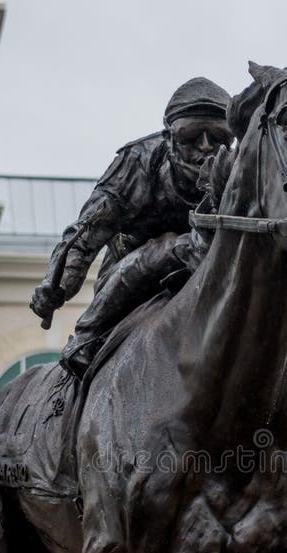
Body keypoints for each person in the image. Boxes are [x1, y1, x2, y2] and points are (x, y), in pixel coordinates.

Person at [30, 77, 232, 377]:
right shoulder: (137, 162)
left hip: (212, 264)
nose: (205, 147)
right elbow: (86, 233)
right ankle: (88, 335)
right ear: (169, 137)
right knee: (172, 244)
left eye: (217, 136)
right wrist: (57, 285)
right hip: (132, 268)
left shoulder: (238, 170)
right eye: (192, 136)